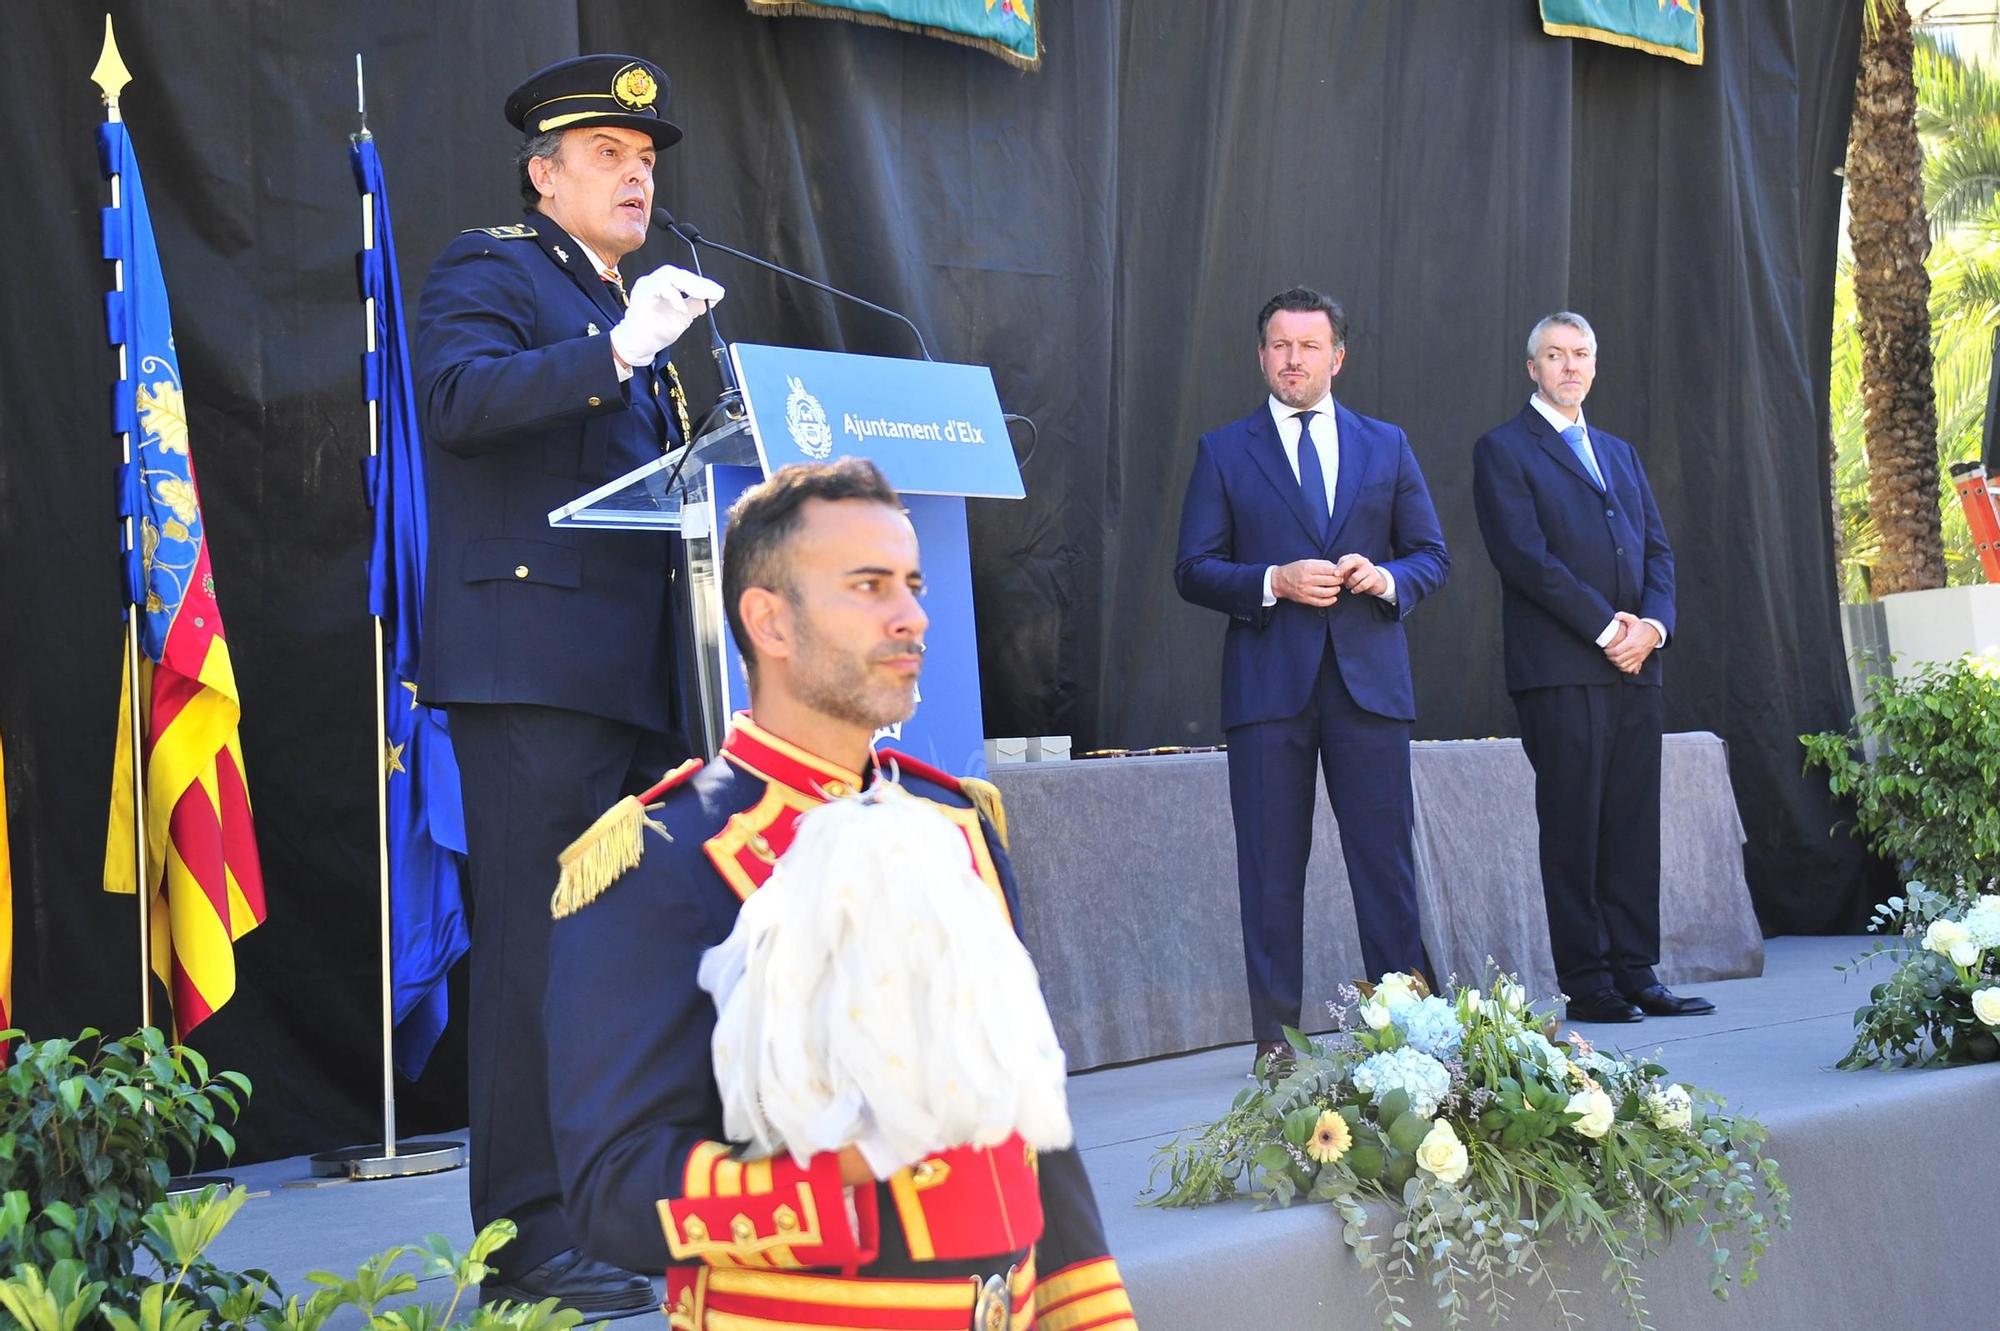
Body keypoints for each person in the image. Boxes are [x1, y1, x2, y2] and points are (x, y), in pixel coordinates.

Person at [543, 459, 1138, 1330]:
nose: (912, 616)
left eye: (912, 584)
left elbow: (1031, 1127)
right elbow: (612, 1186)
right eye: (868, 586)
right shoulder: (661, 857)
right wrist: (844, 1180)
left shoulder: (956, 821)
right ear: (769, 620)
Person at [413, 53, 724, 1314]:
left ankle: (604, 1208)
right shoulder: (491, 268)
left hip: (633, 676)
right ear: (544, 174)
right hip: (533, 667)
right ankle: (528, 1237)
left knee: (610, 963)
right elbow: (458, 397)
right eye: (609, 153)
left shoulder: (625, 307)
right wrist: (616, 348)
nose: (637, 172)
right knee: (539, 963)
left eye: (646, 159)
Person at [1175, 287, 1450, 1072]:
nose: (1293, 358)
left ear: (1338, 355)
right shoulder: (1224, 450)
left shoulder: (1387, 445)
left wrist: (1387, 576)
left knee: (1385, 865)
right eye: (1279, 345)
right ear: (1261, 355)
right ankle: (1275, 1040)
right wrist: (1273, 581)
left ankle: (1411, 1034)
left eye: (1308, 345)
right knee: (1269, 867)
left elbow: (1432, 555)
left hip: (1369, 685)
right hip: (1268, 689)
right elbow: (1193, 569)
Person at [1470, 312, 1712, 1024]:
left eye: (1581, 354)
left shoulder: (1618, 451)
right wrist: (1610, 627)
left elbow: (1658, 553)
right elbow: (1526, 559)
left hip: (1637, 666)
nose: (1569, 366)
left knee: (1633, 823)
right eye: (1555, 354)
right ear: (1532, 367)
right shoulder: (1504, 450)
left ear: (1595, 366)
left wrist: (1653, 628)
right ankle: (1589, 979)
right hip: (1561, 670)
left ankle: (1637, 971)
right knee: (1575, 825)